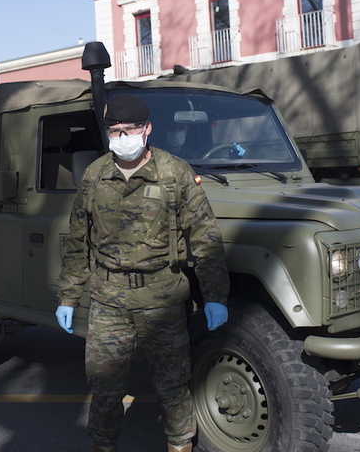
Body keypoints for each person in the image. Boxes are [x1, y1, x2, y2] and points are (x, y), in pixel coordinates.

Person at [55, 94, 230, 452]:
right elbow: (78, 242)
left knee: (173, 386)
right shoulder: (95, 175)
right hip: (108, 301)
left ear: (147, 129)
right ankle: (103, 446)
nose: (122, 138)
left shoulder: (175, 173)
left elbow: (205, 238)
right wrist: (69, 296)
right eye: (115, 131)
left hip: (162, 299)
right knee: (105, 388)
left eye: (129, 130)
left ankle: (181, 446)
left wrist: (214, 296)